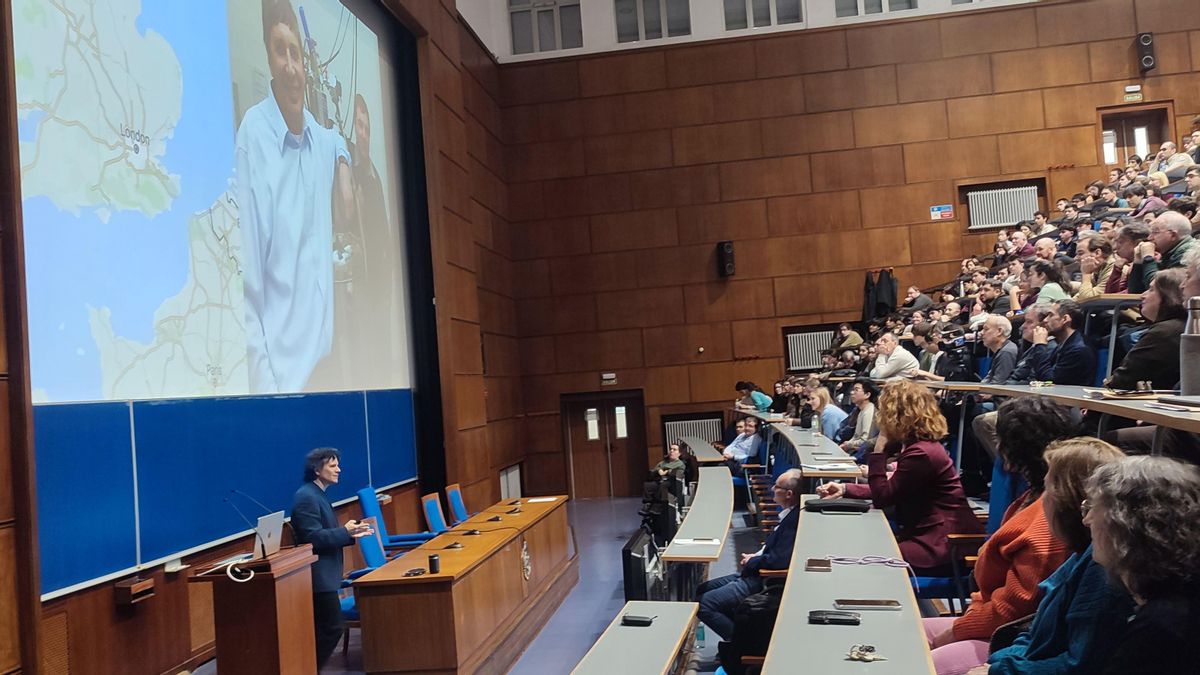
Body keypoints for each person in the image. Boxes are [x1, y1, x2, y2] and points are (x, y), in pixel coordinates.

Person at [238, 0, 356, 394]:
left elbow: (337, 140)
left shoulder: (319, 141)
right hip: (284, 381)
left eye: (296, 54)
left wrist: (343, 164)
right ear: (269, 59)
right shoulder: (254, 135)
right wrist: (267, 393)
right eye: (280, 51)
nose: (291, 66)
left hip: (329, 365)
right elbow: (249, 281)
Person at [924, 397, 1076, 675]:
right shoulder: (1029, 498)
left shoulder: (1045, 523)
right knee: (908, 632)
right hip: (988, 618)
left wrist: (957, 630)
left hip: (1013, 636)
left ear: (1009, 448)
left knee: (918, 663)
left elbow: (1014, 610)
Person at [972, 438, 1132, 675]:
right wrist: (1002, 662)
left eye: (1047, 489)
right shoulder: (1083, 554)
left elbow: (1079, 665)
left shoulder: (1099, 570)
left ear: (1067, 500)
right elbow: (1032, 631)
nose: (1041, 499)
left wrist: (999, 669)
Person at [817, 381, 983, 574]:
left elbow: (883, 497)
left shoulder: (921, 453)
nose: (881, 419)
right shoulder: (919, 447)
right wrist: (846, 489)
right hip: (931, 536)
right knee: (858, 547)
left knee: (862, 557)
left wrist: (879, 451)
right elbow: (895, 489)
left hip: (944, 544)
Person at [1084, 456, 1200, 675]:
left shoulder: (1162, 628)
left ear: (1124, 523)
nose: (1087, 519)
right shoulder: (1177, 595)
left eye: (1093, 508)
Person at [290, 447, 374, 668]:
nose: (339, 469)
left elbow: (324, 532)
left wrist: (349, 532)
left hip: (326, 574)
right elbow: (312, 538)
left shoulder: (317, 494)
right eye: (333, 466)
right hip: (318, 576)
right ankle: (307, 670)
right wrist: (345, 532)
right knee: (332, 628)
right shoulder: (306, 497)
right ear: (317, 469)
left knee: (325, 629)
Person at [696, 469, 802, 641]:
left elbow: (778, 561)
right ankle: (741, 629)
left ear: (789, 494)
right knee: (703, 589)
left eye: (777, 486)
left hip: (760, 580)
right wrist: (755, 556)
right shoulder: (789, 515)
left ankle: (739, 644)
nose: (772, 488)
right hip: (754, 570)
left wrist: (753, 560)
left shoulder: (793, 521)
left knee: (705, 605)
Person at [1104, 268, 1186, 391]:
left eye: (1151, 289)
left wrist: (1107, 383)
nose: (1143, 295)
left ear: (1168, 294)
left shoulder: (1162, 333)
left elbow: (1121, 381)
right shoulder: (1182, 326)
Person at [1028, 300, 1097, 386]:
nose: (1045, 320)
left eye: (1051, 315)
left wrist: (1040, 345)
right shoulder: (1065, 343)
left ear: (1065, 319)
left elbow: (1049, 379)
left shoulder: (1078, 349)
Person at [839, 378, 878, 461]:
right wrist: (847, 443)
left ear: (867, 394)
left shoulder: (869, 411)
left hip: (864, 454)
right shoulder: (861, 410)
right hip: (855, 449)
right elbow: (856, 437)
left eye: (856, 390)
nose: (852, 392)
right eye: (852, 390)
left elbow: (865, 439)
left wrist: (848, 444)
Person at [978, 314, 1018, 385]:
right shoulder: (1002, 350)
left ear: (999, 331)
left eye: (986, 329)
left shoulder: (1006, 352)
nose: (981, 333)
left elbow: (998, 385)